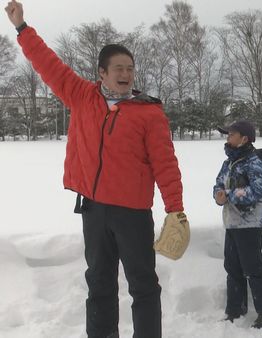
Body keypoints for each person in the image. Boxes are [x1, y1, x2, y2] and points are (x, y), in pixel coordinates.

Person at [4, 1, 187, 337]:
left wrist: (175, 210)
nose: (125, 75)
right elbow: (48, 64)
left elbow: (165, 163)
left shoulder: (148, 113)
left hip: (132, 213)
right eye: (118, 68)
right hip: (94, 210)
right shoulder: (82, 96)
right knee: (100, 284)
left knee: (143, 285)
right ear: (101, 73)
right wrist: (22, 28)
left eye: (130, 68)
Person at [213, 120, 262, 330]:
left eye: (231, 134)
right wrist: (218, 196)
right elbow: (219, 184)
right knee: (232, 268)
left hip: (249, 225)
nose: (227, 137)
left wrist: (228, 194)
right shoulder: (229, 163)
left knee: (253, 268)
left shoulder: (253, 162)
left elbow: (257, 191)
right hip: (231, 223)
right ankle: (235, 310)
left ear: (244, 139)